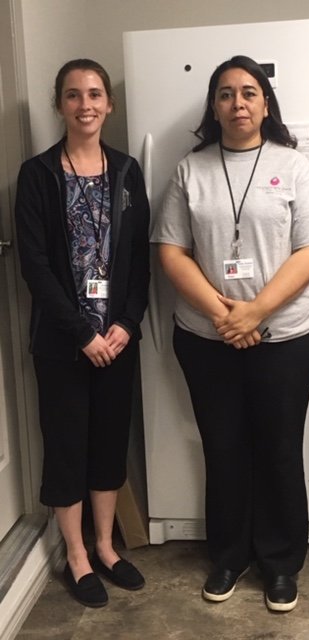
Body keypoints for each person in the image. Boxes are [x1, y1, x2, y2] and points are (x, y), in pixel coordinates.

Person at [151, 55, 309, 612]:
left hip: (286, 338)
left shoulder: (293, 166)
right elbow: (171, 251)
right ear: (214, 105)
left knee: (279, 451)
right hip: (208, 340)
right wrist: (224, 315)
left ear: (265, 104)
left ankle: (281, 564)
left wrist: (255, 312)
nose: (239, 104)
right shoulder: (191, 169)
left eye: (249, 93)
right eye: (227, 94)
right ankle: (230, 555)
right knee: (224, 449)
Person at [15, 59, 150, 607]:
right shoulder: (37, 174)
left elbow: (139, 259)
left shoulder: (127, 171)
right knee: (68, 447)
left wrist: (125, 323)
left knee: (108, 445)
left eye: (95, 94)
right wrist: (81, 333)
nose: (86, 104)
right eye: (73, 95)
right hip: (63, 345)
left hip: (117, 341)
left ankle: (105, 545)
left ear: (109, 104)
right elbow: (35, 266)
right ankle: (75, 555)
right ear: (59, 104)